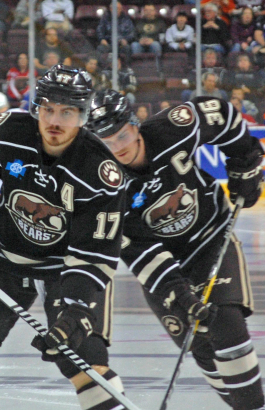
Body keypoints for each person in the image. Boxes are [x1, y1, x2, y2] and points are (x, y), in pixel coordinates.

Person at [0, 65, 129, 410]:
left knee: (84, 358)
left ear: (83, 116)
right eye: (49, 109)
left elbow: (96, 254)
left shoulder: (101, 172)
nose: (55, 121)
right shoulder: (4, 132)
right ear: (36, 107)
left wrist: (74, 310)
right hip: (4, 256)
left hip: (65, 267)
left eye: (67, 112)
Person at [86, 89, 265, 410]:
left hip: (211, 240)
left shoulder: (172, 126)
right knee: (203, 349)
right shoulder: (102, 186)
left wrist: (245, 159)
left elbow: (220, 114)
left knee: (228, 329)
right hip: (167, 269)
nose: (119, 147)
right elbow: (140, 251)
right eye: (107, 142)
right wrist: (181, 294)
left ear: (134, 123)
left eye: (123, 135)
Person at [131, 4, 167, 72]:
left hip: (154, 43)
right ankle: (137, 70)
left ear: (155, 11)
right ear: (143, 11)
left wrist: (153, 40)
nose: (148, 12)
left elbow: (163, 37)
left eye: (151, 10)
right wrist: (139, 40)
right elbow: (134, 35)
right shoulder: (138, 22)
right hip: (141, 43)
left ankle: (157, 69)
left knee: (155, 45)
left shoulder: (160, 22)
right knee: (134, 45)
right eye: (146, 10)